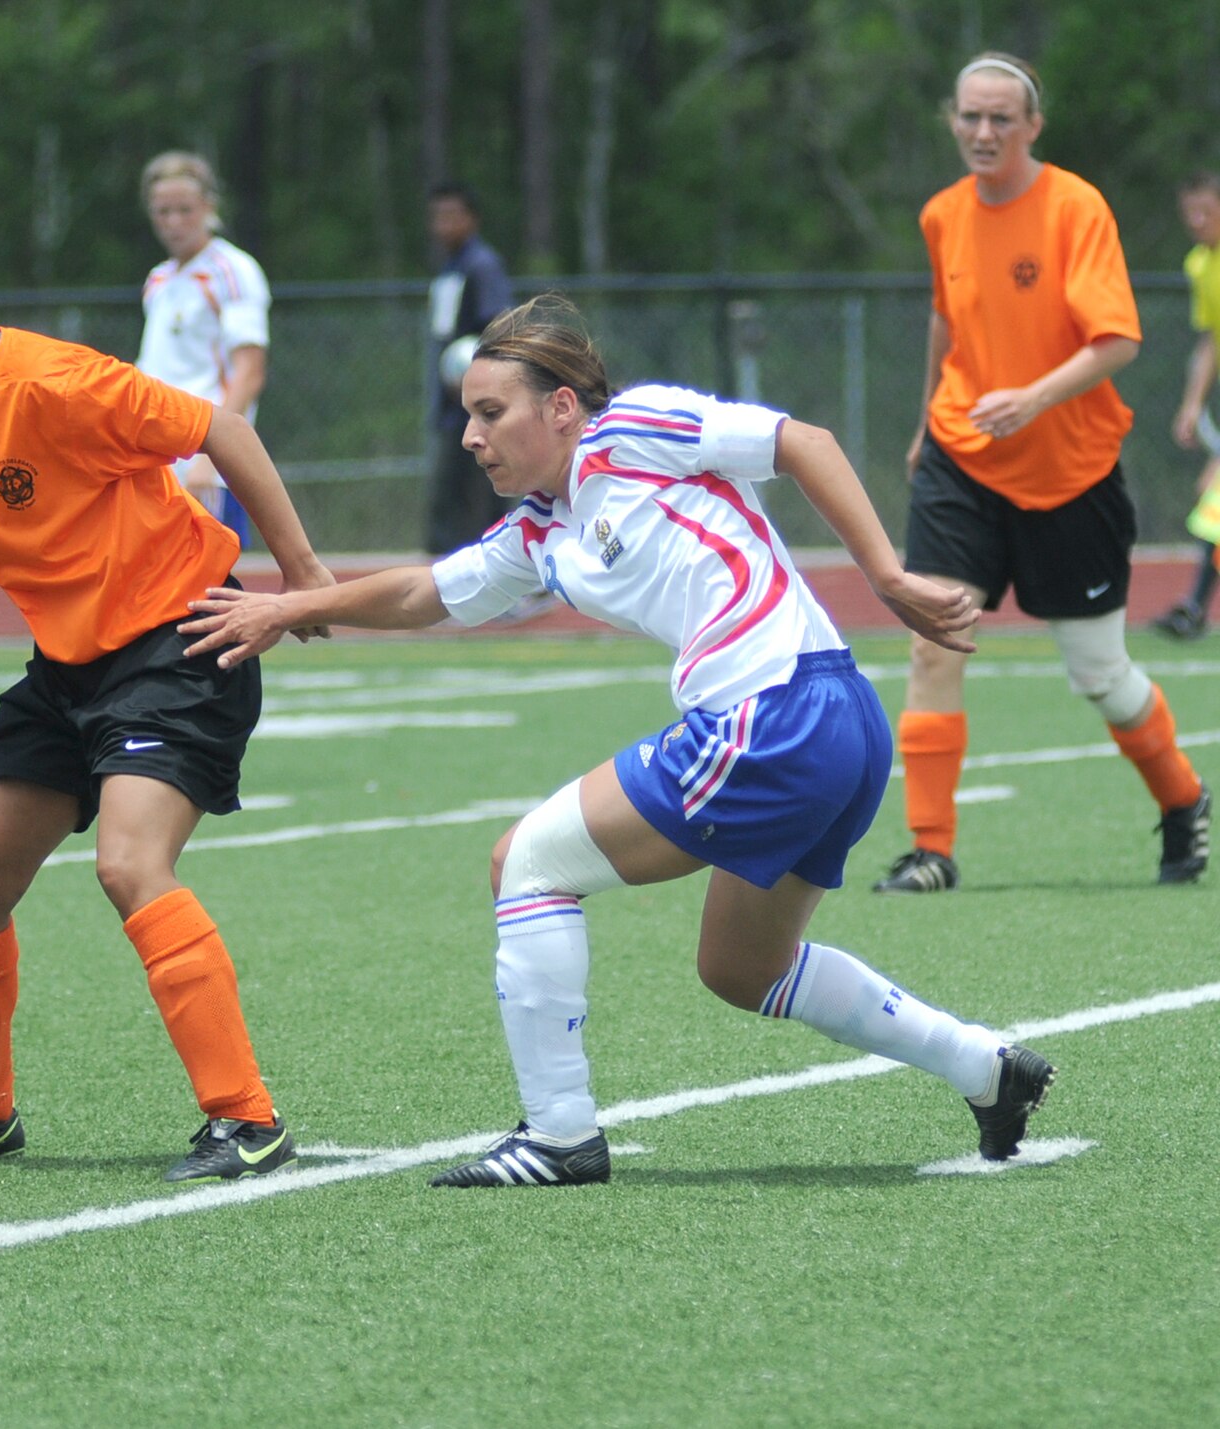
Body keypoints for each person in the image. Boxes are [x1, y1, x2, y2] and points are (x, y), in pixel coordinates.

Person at [181, 292, 1056, 1187]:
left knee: (524, 863)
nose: (470, 437)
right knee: (742, 968)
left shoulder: (630, 427)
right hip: (832, 721)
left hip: (769, 715)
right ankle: (986, 1068)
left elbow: (805, 443)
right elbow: (424, 594)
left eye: (491, 413)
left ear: (561, 407)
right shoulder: (539, 530)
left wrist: (886, 575)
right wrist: (294, 604)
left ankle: (559, 1136)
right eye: (467, 417)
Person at [0, 207, 336, 1183]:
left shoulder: (55, 382)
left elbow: (221, 430)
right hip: (67, 673)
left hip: (179, 642)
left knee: (128, 862)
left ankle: (245, 1120)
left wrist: (300, 574)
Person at [875, 52, 1209, 894]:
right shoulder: (943, 214)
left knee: (1100, 673)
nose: (983, 133)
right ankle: (931, 849)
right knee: (933, 641)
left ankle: (1182, 798)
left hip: (1071, 470)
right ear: (952, 120)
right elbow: (945, 324)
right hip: (962, 459)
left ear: (1032, 127)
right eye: (970, 117)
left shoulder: (1074, 207)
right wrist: (926, 423)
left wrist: (1033, 398)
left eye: (1001, 119)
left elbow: (1119, 339)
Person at [136, 150, 269, 549]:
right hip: (158, 457)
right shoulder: (158, 279)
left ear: (208, 207)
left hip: (203, 460)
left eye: (184, 209)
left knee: (213, 586)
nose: (174, 222)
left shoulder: (232, 271)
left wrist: (212, 456)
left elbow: (250, 371)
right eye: (163, 211)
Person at [424, 181, 513, 555]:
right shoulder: (450, 269)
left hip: (475, 403)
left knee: (476, 490)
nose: (443, 225)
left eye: (452, 216)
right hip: (451, 402)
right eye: (437, 217)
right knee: (450, 493)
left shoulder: (482, 265)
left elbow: (497, 323)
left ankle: (498, 568)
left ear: (471, 219)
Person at [1151, 171, 1220, 641]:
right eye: (1189, 213)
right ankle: (1195, 608)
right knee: (1214, 505)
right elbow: (1211, 339)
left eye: (1207, 211)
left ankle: (1195, 607)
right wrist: (1191, 405)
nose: (1197, 221)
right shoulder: (1199, 265)